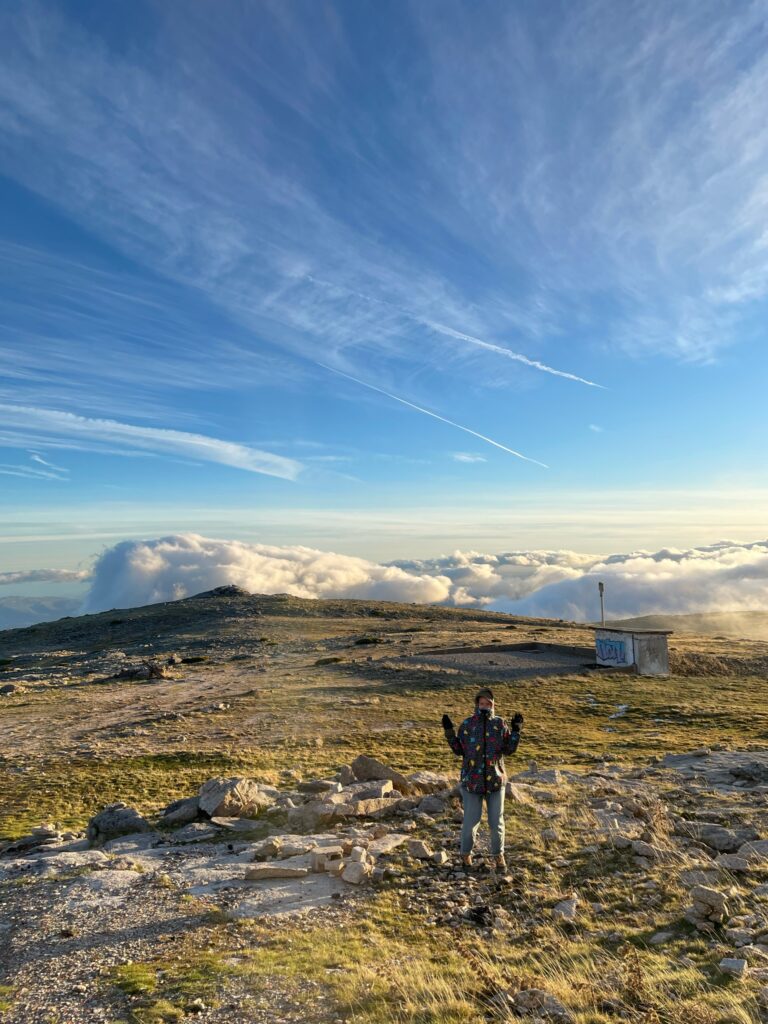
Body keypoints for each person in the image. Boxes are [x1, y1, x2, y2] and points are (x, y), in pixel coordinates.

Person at [442, 687, 523, 870]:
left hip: (496, 782)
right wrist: (449, 732)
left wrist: (516, 732)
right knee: (470, 822)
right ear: (477, 704)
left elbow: (509, 750)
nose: (485, 706)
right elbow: (458, 750)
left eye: (488, 703)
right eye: (482, 703)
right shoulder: (468, 725)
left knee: (496, 822)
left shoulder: (500, 724)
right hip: (472, 782)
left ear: (493, 705)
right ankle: (465, 856)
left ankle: (498, 856)